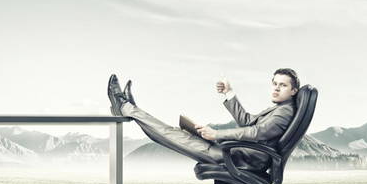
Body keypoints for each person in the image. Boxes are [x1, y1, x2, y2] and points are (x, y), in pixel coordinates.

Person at [107, 68, 299, 171]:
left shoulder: (284, 112)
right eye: (274, 83)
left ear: (293, 91)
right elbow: (247, 122)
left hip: (239, 158)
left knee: (169, 135)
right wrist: (229, 93)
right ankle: (130, 108)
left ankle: (125, 107)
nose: (276, 88)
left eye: (282, 85)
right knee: (175, 133)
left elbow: (256, 133)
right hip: (236, 152)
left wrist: (216, 134)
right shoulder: (280, 109)